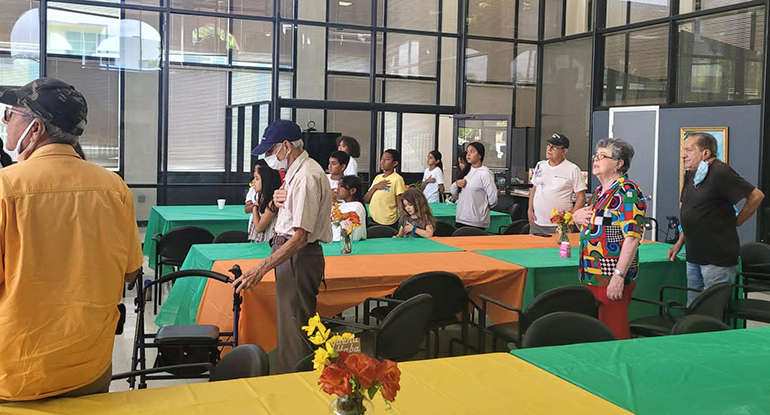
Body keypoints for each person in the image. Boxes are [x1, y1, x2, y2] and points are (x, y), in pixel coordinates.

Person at [0, 78, 143, 401]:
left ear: (35, 129)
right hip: (88, 366)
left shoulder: (5, 188)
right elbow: (131, 272)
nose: (5, 121)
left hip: (18, 372)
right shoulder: (114, 188)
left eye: (10, 114)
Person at [234, 120, 333, 374]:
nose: (268, 158)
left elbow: (300, 237)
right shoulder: (295, 173)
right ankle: (293, 380)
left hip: (298, 255)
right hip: (290, 254)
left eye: (270, 151)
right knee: (291, 328)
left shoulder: (307, 176)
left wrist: (261, 268)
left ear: (286, 147)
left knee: (296, 331)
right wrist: (278, 201)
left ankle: (296, 386)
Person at [668, 133, 764, 305]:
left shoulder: (721, 172)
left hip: (716, 258)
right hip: (694, 254)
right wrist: (679, 242)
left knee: (711, 310)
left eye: (689, 150)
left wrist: (739, 220)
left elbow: (756, 196)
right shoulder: (691, 173)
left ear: (705, 153)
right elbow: (689, 210)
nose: (683, 154)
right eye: (684, 149)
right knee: (694, 308)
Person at [573, 138, 646, 340]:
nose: (596, 160)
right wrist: (576, 216)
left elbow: (632, 237)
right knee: (597, 332)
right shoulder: (599, 192)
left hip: (611, 275)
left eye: (602, 156)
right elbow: (592, 225)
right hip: (592, 273)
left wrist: (618, 277)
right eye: (595, 156)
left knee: (614, 333)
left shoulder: (627, 191)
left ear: (618, 163)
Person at [529, 133, 587, 234]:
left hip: (560, 225)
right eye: (548, 145)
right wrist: (530, 209)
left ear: (564, 151)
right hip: (537, 223)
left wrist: (571, 217)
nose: (549, 149)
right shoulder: (540, 165)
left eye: (554, 147)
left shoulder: (572, 169)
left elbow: (581, 198)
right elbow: (534, 189)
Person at [450, 142, 498, 230]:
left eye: (472, 151)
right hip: (461, 218)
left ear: (480, 155)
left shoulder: (485, 173)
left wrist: (481, 209)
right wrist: (457, 184)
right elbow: (454, 194)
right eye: (467, 152)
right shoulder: (466, 171)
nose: (468, 154)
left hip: (476, 221)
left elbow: (493, 199)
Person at [364, 149, 405, 228]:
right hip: (373, 218)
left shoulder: (397, 179)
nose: (382, 162)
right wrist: (375, 187)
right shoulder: (377, 177)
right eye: (382, 158)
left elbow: (400, 201)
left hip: (388, 220)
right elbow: (366, 199)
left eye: (387, 159)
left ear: (395, 163)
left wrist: (403, 220)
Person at [248, 162, 282, 243]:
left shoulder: (272, 203)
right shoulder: (262, 198)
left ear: (266, 181)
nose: (253, 182)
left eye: (257, 179)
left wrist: (254, 208)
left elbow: (259, 227)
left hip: (268, 244)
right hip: (259, 242)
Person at [332, 175, 367, 242]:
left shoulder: (356, 208)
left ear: (352, 190)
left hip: (349, 244)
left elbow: (349, 234)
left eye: (341, 186)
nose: (337, 189)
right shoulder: (340, 205)